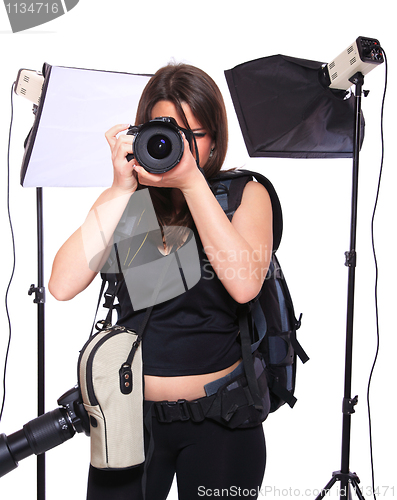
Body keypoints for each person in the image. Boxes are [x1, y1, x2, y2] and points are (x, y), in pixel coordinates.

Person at [49, 63, 273, 500]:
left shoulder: (244, 195)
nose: (182, 147)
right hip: (129, 420)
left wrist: (190, 182)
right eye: (169, 134)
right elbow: (61, 284)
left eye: (195, 135)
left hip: (221, 422)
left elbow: (245, 284)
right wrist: (117, 189)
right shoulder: (128, 203)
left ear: (215, 139)